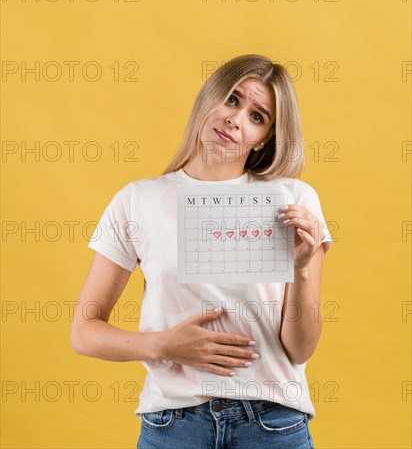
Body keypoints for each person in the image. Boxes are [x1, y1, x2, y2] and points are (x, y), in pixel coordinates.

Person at [71, 54, 333, 449]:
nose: (236, 118)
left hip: (271, 425)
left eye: (257, 116)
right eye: (232, 99)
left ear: (264, 138)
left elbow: (301, 348)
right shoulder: (137, 200)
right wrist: (164, 345)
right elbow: (84, 332)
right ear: (209, 97)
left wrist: (302, 269)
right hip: (173, 426)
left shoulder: (291, 199)